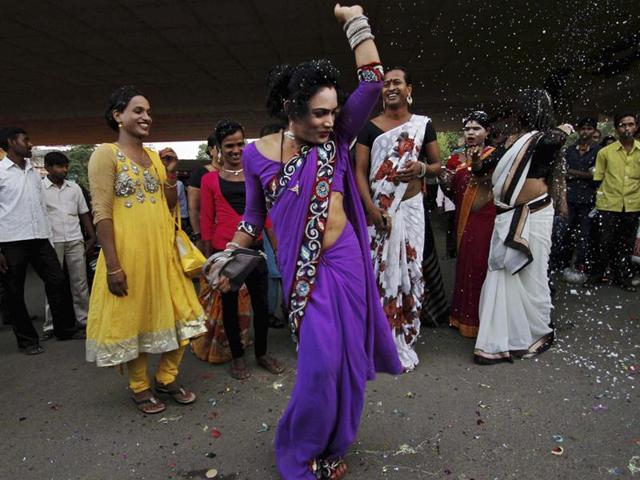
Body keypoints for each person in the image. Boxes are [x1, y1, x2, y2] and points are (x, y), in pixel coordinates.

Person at [213, 5, 403, 478]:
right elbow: (254, 218)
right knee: (319, 368)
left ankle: (336, 443)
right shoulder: (256, 158)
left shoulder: (336, 141)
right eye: (319, 113)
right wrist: (230, 253)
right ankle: (300, 453)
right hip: (305, 273)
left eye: (333, 112)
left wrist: (355, 19)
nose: (328, 120)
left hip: (348, 263)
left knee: (348, 363)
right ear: (290, 110)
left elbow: (374, 81)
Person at [86, 86, 206, 414]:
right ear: (118, 115)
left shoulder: (153, 156)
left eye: (148, 112)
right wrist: (112, 265)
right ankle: (140, 386)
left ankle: (167, 378)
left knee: (187, 313)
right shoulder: (105, 154)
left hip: (163, 253)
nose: (146, 117)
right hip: (128, 255)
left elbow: (167, 204)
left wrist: (168, 173)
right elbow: (102, 213)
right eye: (138, 110)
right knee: (134, 322)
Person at [474, 89, 572, 365]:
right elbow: (483, 169)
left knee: (531, 274)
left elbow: (552, 150)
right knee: (508, 275)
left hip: (535, 214)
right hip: (510, 216)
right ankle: (500, 340)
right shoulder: (526, 141)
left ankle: (523, 333)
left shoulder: (535, 141)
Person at [354, 66, 443, 371]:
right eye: (386, 84)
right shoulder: (368, 128)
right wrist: (371, 210)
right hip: (379, 212)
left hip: (412, 209)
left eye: (397, 83)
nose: (390, 87)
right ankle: (379, 341)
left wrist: (420, 168)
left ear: (409, 89)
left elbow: (437, 166)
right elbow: (360, 174)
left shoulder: (422, 126)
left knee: (411, 270)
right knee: (380, 275)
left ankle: (403, 335)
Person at [193, 119, 282, 379]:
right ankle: (238, 357)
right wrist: (209, 260)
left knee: (262, 305)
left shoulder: (257, 175)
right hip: (226, 254)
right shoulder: (209, 180)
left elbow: (266, 217)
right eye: (229, 145)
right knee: (229, 309)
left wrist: (278, 251)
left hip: (256, 253)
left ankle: (262, 354)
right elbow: (207, 219)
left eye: (240, 144)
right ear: (218, 148)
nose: (235, 150)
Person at [0, 128, 83, 354]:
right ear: (10, 142)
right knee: (15, 292)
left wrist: (46, 233)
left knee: (57, 280)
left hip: (40, 238)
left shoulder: (32, 173)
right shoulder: (0, 172)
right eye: (25, 140)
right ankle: (27, 341)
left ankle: (65, 329)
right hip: (11, 241)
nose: (30, 144)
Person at [446, 112, 497, 338]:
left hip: (484, 219)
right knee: (464, 266)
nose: (470, 133)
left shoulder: (494, 155)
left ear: (487, 132)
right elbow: (453, 190)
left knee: (478, 267)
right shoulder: (457, 158)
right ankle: (461, 317)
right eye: (467, 129)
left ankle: (479, 320)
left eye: (476, 129)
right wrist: (444, 179)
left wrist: (476, 163)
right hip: (463, 218)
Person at [41, 151, 96, 339]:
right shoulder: (39, 189)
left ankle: (85, 321)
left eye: (66, 166)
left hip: (74, 239)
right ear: (48, 168)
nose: (64, 170)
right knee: (53, 284)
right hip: (51, 240)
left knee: (79, 283)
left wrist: (92, 235)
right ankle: (50, 326)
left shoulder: (74, 188)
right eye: (59, 167)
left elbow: (84, 213)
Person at [586, 113, 640, 292]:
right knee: (603, 242)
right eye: (623, 125)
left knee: (626, 244)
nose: (627, 128)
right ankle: (596, 275)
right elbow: (598, 178)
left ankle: (622, 277)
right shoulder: (605, 152)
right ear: (617, 129)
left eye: (631, 124)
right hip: (608, 203)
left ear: (636, 127)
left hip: (633, 204)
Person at [549, 117, 599, 282]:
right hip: (569, 197)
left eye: (589, 129)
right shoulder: (569, 150)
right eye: (583, 128)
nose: (586, 132)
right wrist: (583, 174)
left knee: (584, 236)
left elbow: (597, 176)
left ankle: (580, 267)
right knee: (564, 233)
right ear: (578, 130)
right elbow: (562, 173)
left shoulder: (599, 151)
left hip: (589, 200)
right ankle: (560, 265)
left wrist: (574, 172)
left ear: (594, 131)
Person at [187, 132, 219, 250]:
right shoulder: (201, 174)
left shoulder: (241, 172)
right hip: (210, 235)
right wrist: (198, 235)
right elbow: (193, 208)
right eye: (221, 146)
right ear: (211, 150)